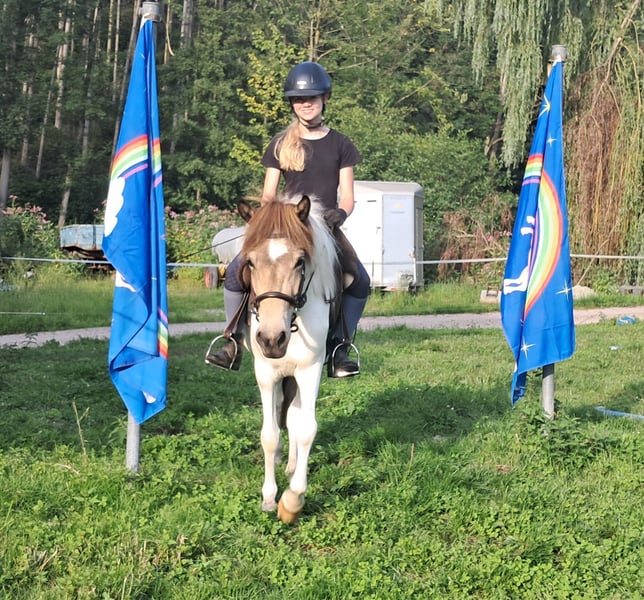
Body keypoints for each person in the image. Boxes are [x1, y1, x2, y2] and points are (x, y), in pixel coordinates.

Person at [206, 60, 370, 378]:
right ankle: (233, 341)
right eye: (299, 99)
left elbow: (348, 196)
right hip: (284, 226)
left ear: (325, 98)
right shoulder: (281, 144)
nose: (306, 104)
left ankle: (340, 347)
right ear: (292, 104)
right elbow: (269, 195)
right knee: (237, 271)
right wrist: (264, 220)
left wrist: (340, 213)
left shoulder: (341, 144)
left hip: (324, 227)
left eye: (312, 98)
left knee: (359, 280)